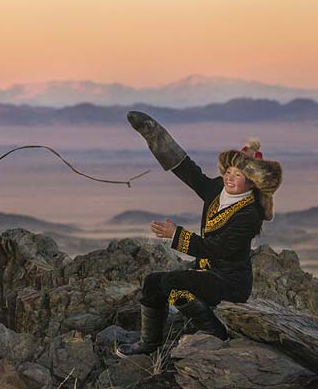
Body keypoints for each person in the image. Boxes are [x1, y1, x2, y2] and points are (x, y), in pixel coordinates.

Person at [117, 111, 282, 357]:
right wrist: (154, 134)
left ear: (251, 183)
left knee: (174, 284)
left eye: (238, 175)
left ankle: (215, 332)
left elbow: (218, 249)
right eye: (229, 171)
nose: (229, 177)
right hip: (208, 272)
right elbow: (187, 170)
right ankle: (148, 344)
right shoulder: (216, 189)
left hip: (231, 282)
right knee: (153, 282)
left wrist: (177, 235)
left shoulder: (250, 214)